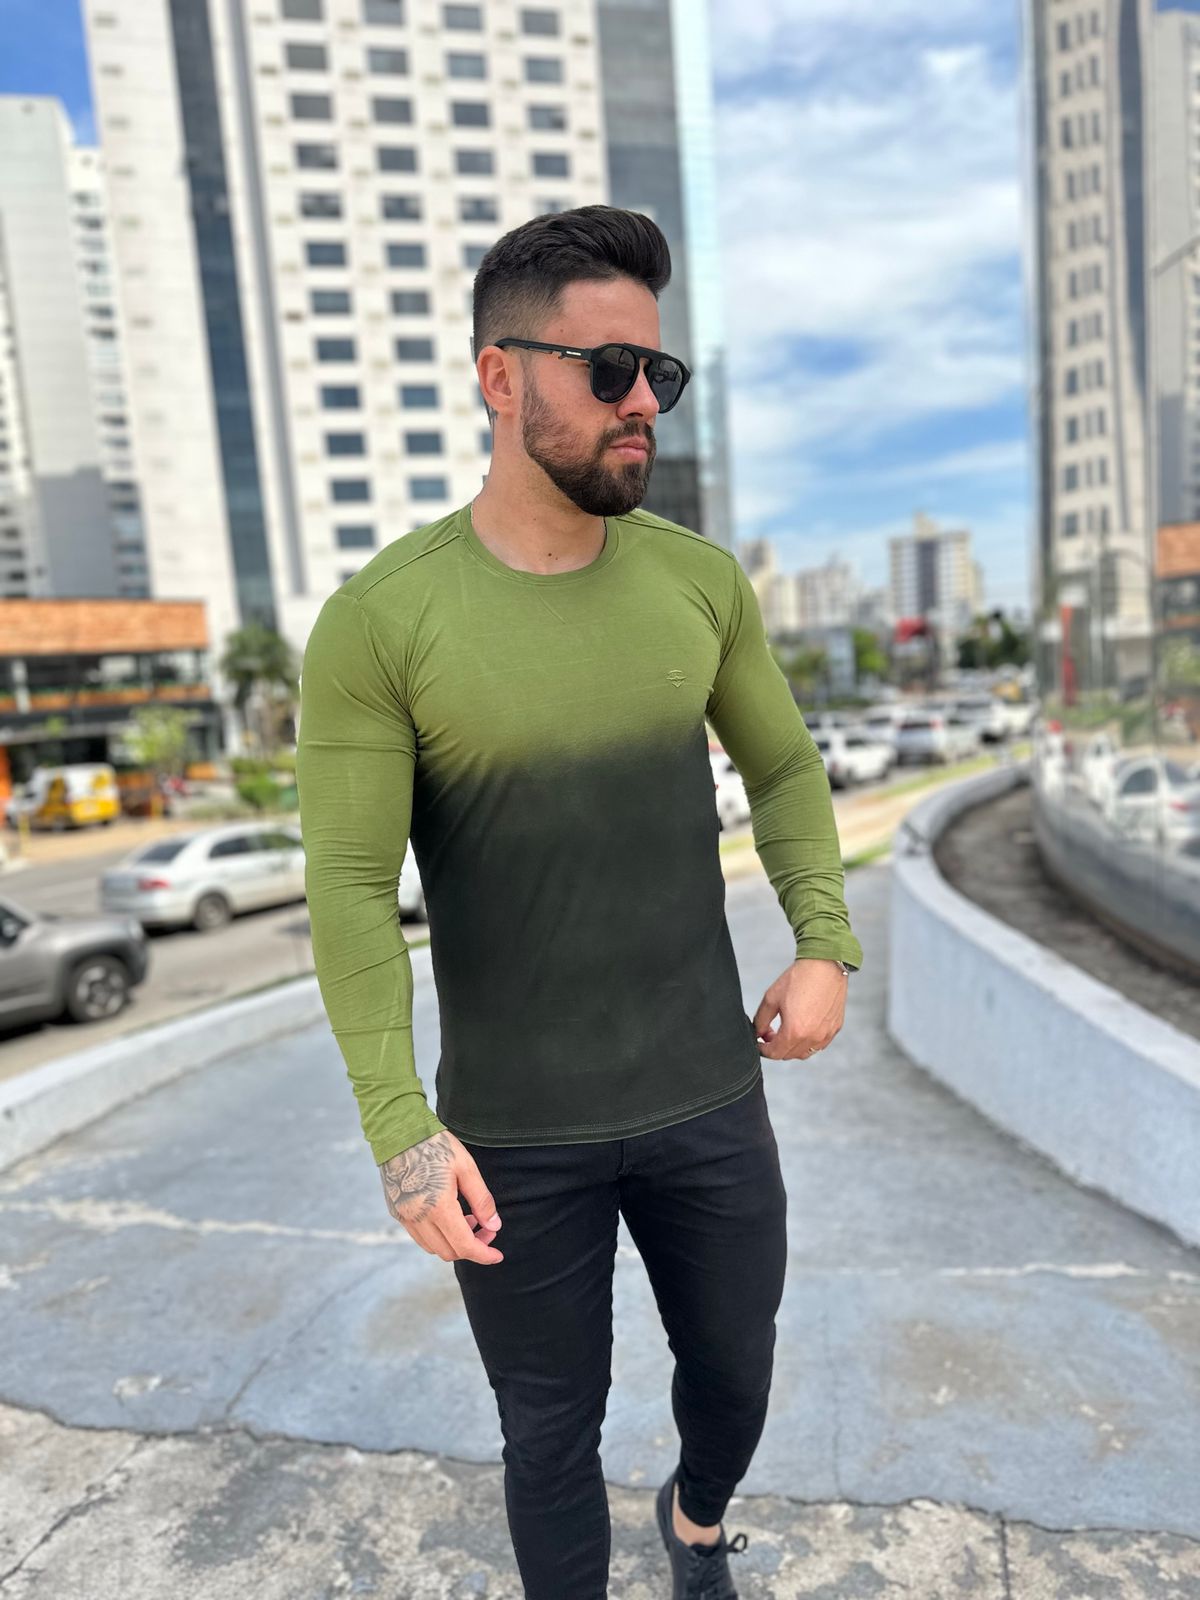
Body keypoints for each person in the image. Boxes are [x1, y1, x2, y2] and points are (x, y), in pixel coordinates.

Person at [296, 204, 863, 1600]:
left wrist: (824, 943)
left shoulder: (699, 583)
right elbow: (352, 889)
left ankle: (696, 1521)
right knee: (547, 1435)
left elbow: (785, 768)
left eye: (659, 374)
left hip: (706, 1095)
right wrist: (399, 1130)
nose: (643, 404)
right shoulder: (381, 621)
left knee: (735, 1375)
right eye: (609, 371)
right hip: (511, 1135)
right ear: (502, 377)